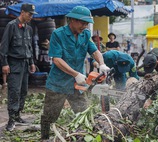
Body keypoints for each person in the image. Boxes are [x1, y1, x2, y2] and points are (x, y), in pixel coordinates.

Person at [40, 6, 110, 140]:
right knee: (50, 115)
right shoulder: (58, 34)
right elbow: (56, 59)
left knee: (83, 112)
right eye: (82, 22)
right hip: (58, 83)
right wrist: (75, 74)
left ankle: (83, 137)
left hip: (78, 85)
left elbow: (94, 51)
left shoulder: (86, 34)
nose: (85, 26)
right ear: (72, 20)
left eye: (87, 23)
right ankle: (44, 138)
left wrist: (101, 64)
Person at [0, 3, 37, 131]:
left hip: (25, 63)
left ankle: (18, 115)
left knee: (23, 91)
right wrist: (4, 63)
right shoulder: (11, 26)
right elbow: (4, 47)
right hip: (14, 64)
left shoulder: (29, 28)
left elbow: (29, 46)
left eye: (32, 14)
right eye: (29, 14)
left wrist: (32, 62)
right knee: (14, 91)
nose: (31, 16)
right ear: (22, 12)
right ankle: (11, 119)